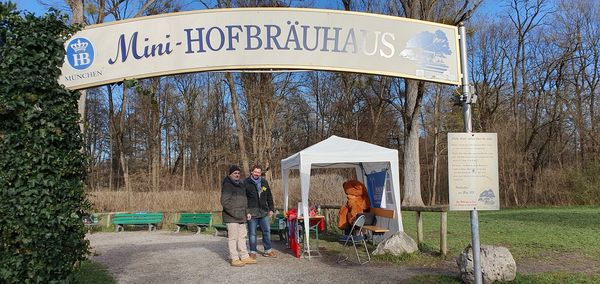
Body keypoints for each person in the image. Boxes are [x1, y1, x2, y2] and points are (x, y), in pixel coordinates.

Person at [221, 165, 257, 267]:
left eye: (238, 173)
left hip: (242, 216)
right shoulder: (227, 185)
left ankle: (244, 256)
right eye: (235, 173)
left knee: (242, 237)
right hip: (231, 217)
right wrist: (236, 214)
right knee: (233, 238)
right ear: (230, 174)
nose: (237, 175)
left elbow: (245, 201)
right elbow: (224, 202)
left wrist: (248, 212)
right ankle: (234, 258)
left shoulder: (241, 185)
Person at [244, 165, 276, 259]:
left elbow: (269, 196)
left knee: (266, 231)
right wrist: (247, 211)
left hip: (263, 211)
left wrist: (271, 209)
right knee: (252, 233)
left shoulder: (264, 182)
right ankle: (253, 252)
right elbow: (244, 199)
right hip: (252, 212)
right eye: (255, 172)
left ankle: (268, 250)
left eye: (259, 172)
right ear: (251, 172)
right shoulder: (246, 182)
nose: (257, 174)